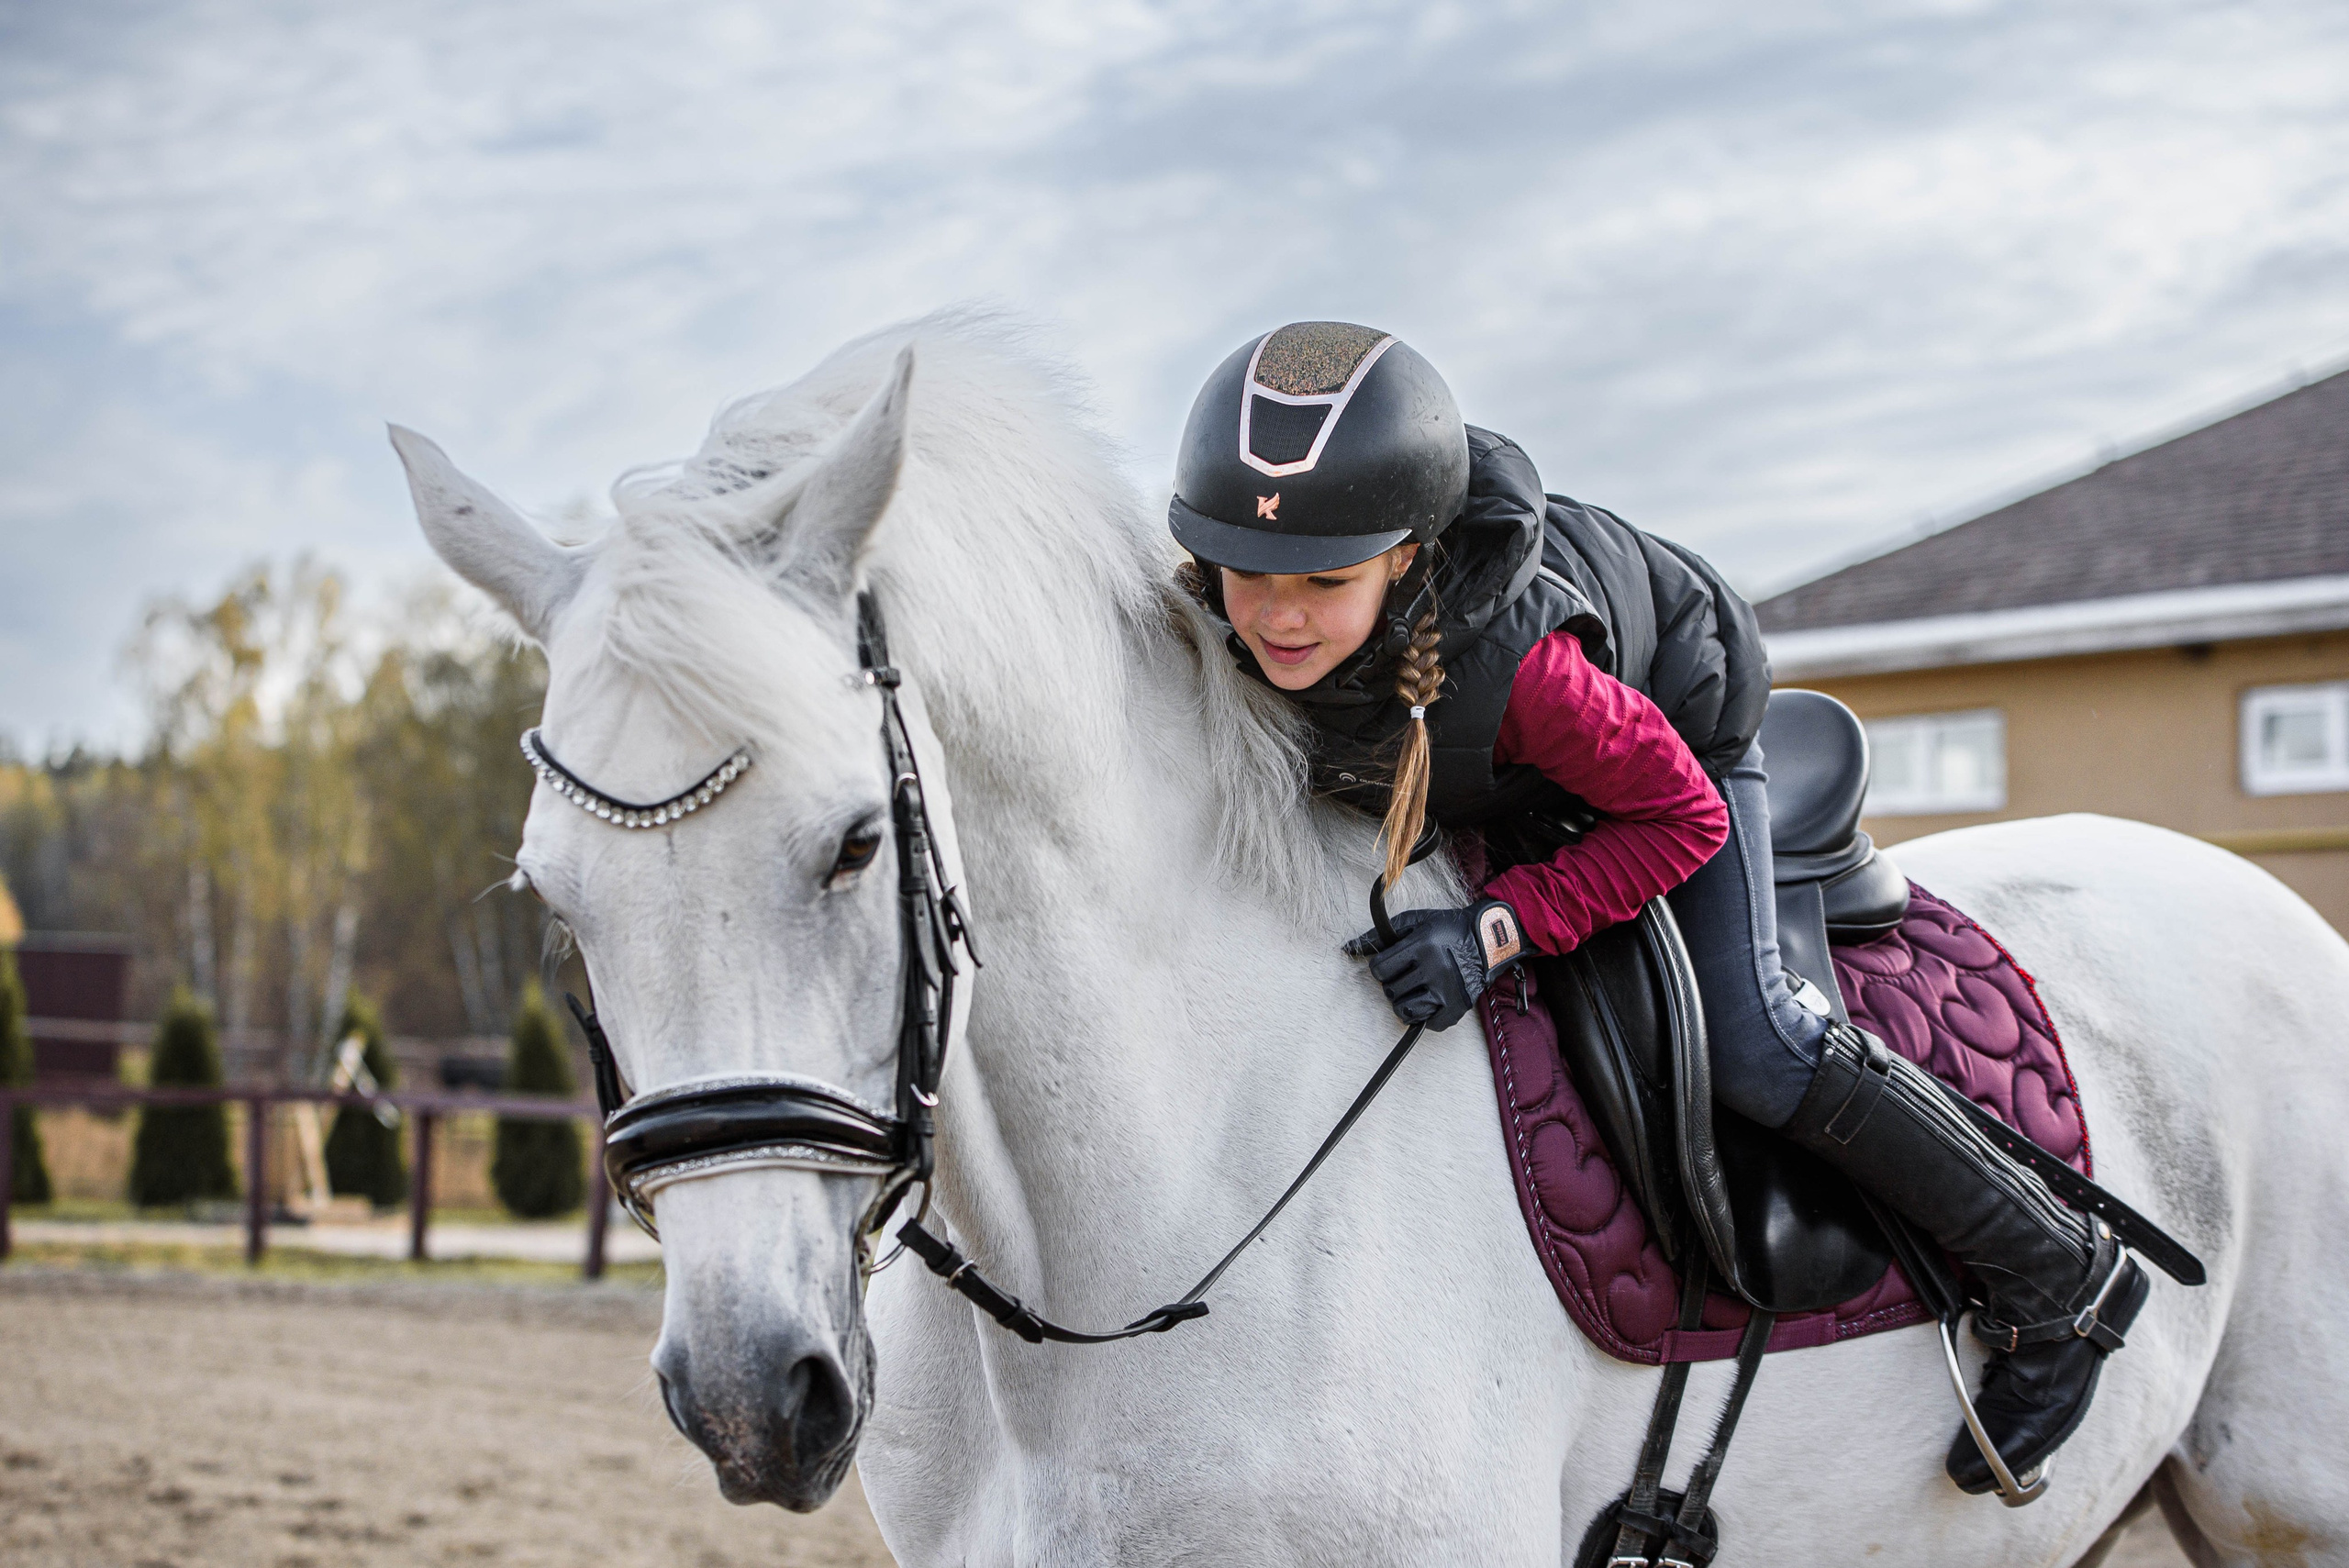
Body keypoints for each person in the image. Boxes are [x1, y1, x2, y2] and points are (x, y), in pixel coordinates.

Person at [1167, 320, 2145, 1497]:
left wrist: (1495, 929)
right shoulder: (1230, 613)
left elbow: (1683, 822)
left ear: (1409, 558)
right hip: (1480, 748)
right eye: (1248, 573)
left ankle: (2060, 1270)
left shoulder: (1530, 677)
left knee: (1759, 1041)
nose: (1278, 616)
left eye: (1325, 583)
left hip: (1678, 737)